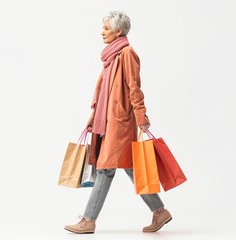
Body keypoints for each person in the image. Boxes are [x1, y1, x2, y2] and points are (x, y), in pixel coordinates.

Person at [64, 11, 172, 234]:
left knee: (105, 169)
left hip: (120, 123)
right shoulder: (111, 56)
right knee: (130, 166)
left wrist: (142, 118)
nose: (102, 32)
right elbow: (103, 91)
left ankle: (88, 220)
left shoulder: (127, 53)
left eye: (106, 28)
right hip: (107, 121)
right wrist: (93, 118)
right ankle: (160, 211)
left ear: (118, 31)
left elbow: (134, 88)